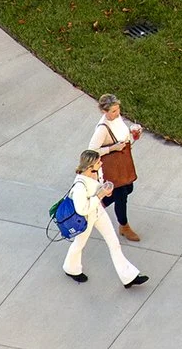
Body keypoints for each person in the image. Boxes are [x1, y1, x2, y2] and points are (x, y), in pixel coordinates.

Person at [62, 150, 147, 287]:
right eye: (98, 162)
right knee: (79, 244)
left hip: (98, 212)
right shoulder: (79, 186)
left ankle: (128, 277)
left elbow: (99, 189)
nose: (101, 163)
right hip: (86, 218)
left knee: (114, 243)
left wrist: (105, 190)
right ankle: (71, 268)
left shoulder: (96, 173)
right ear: (90, 166)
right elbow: (82, 209)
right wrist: (100, 195)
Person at [90, 94, 143, 242]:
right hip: (113, 168)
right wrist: (112, 148)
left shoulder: (117, 119)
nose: (117, 113)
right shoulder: (102, 129)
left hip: (123, 162)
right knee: (121, 196)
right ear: (104, 111)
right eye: (113, 111)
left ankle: (96, 205)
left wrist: (134, 135)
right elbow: (92, 151)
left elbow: (124, 138)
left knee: (128, 188)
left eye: (118, 109)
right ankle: (124, 226)